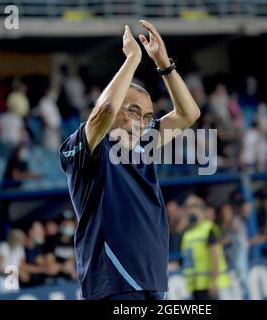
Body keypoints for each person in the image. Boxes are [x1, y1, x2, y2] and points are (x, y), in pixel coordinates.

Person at [59, 21, 200, 300]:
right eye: (134, 111)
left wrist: (164, 64)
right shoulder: (87, 147)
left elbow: (188, 114)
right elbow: (107, 108)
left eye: (148, 117)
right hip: (113, 282)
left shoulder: (143, 144)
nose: (142, 122)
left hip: (152, 279)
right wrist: (133, 59)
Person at [181, 198, 230, 300]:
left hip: (210, 284)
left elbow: (216, 256)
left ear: (201, 211)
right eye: (189, 210)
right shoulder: (188, 234)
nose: (191, 213)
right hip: (196, 286)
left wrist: (214, 281)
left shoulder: (208, 229)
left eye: (194, 209)